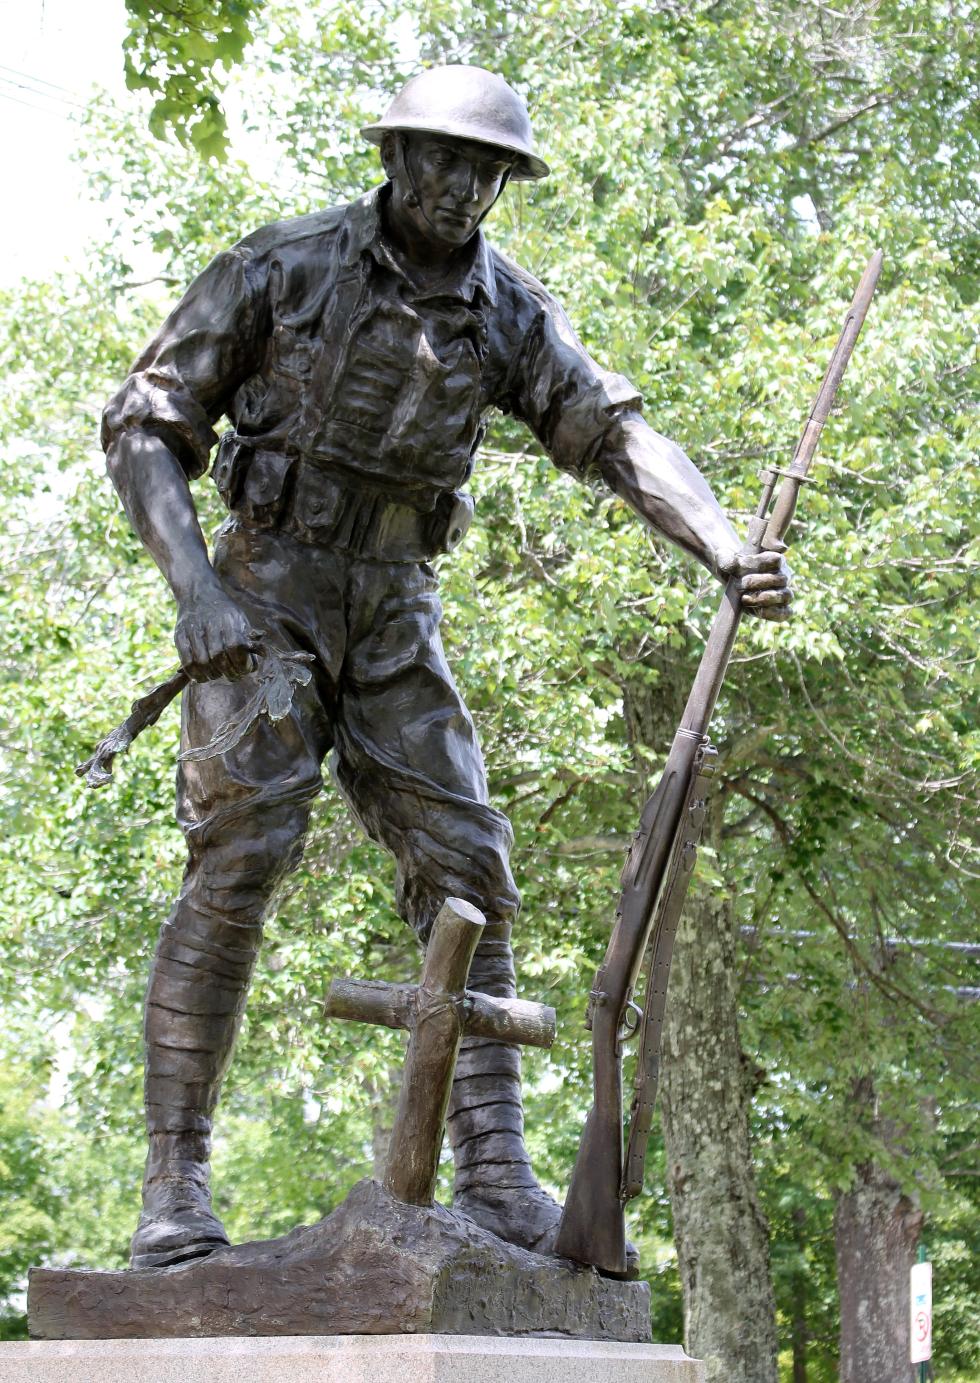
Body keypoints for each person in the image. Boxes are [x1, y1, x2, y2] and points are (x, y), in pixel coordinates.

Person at [102, 64, 792, 1272]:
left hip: (393, 611)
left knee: (468, 857)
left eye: (488, 170)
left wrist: (724, 543)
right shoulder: (283, 264)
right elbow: (146, 423)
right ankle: (175, 1183)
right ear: (394, 156)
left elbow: (613, 431)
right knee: (240, 861)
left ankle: (493, 1169)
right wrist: (197, 593)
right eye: (445, 160)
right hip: (262, 593)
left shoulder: (507, 311)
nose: (463, 185)